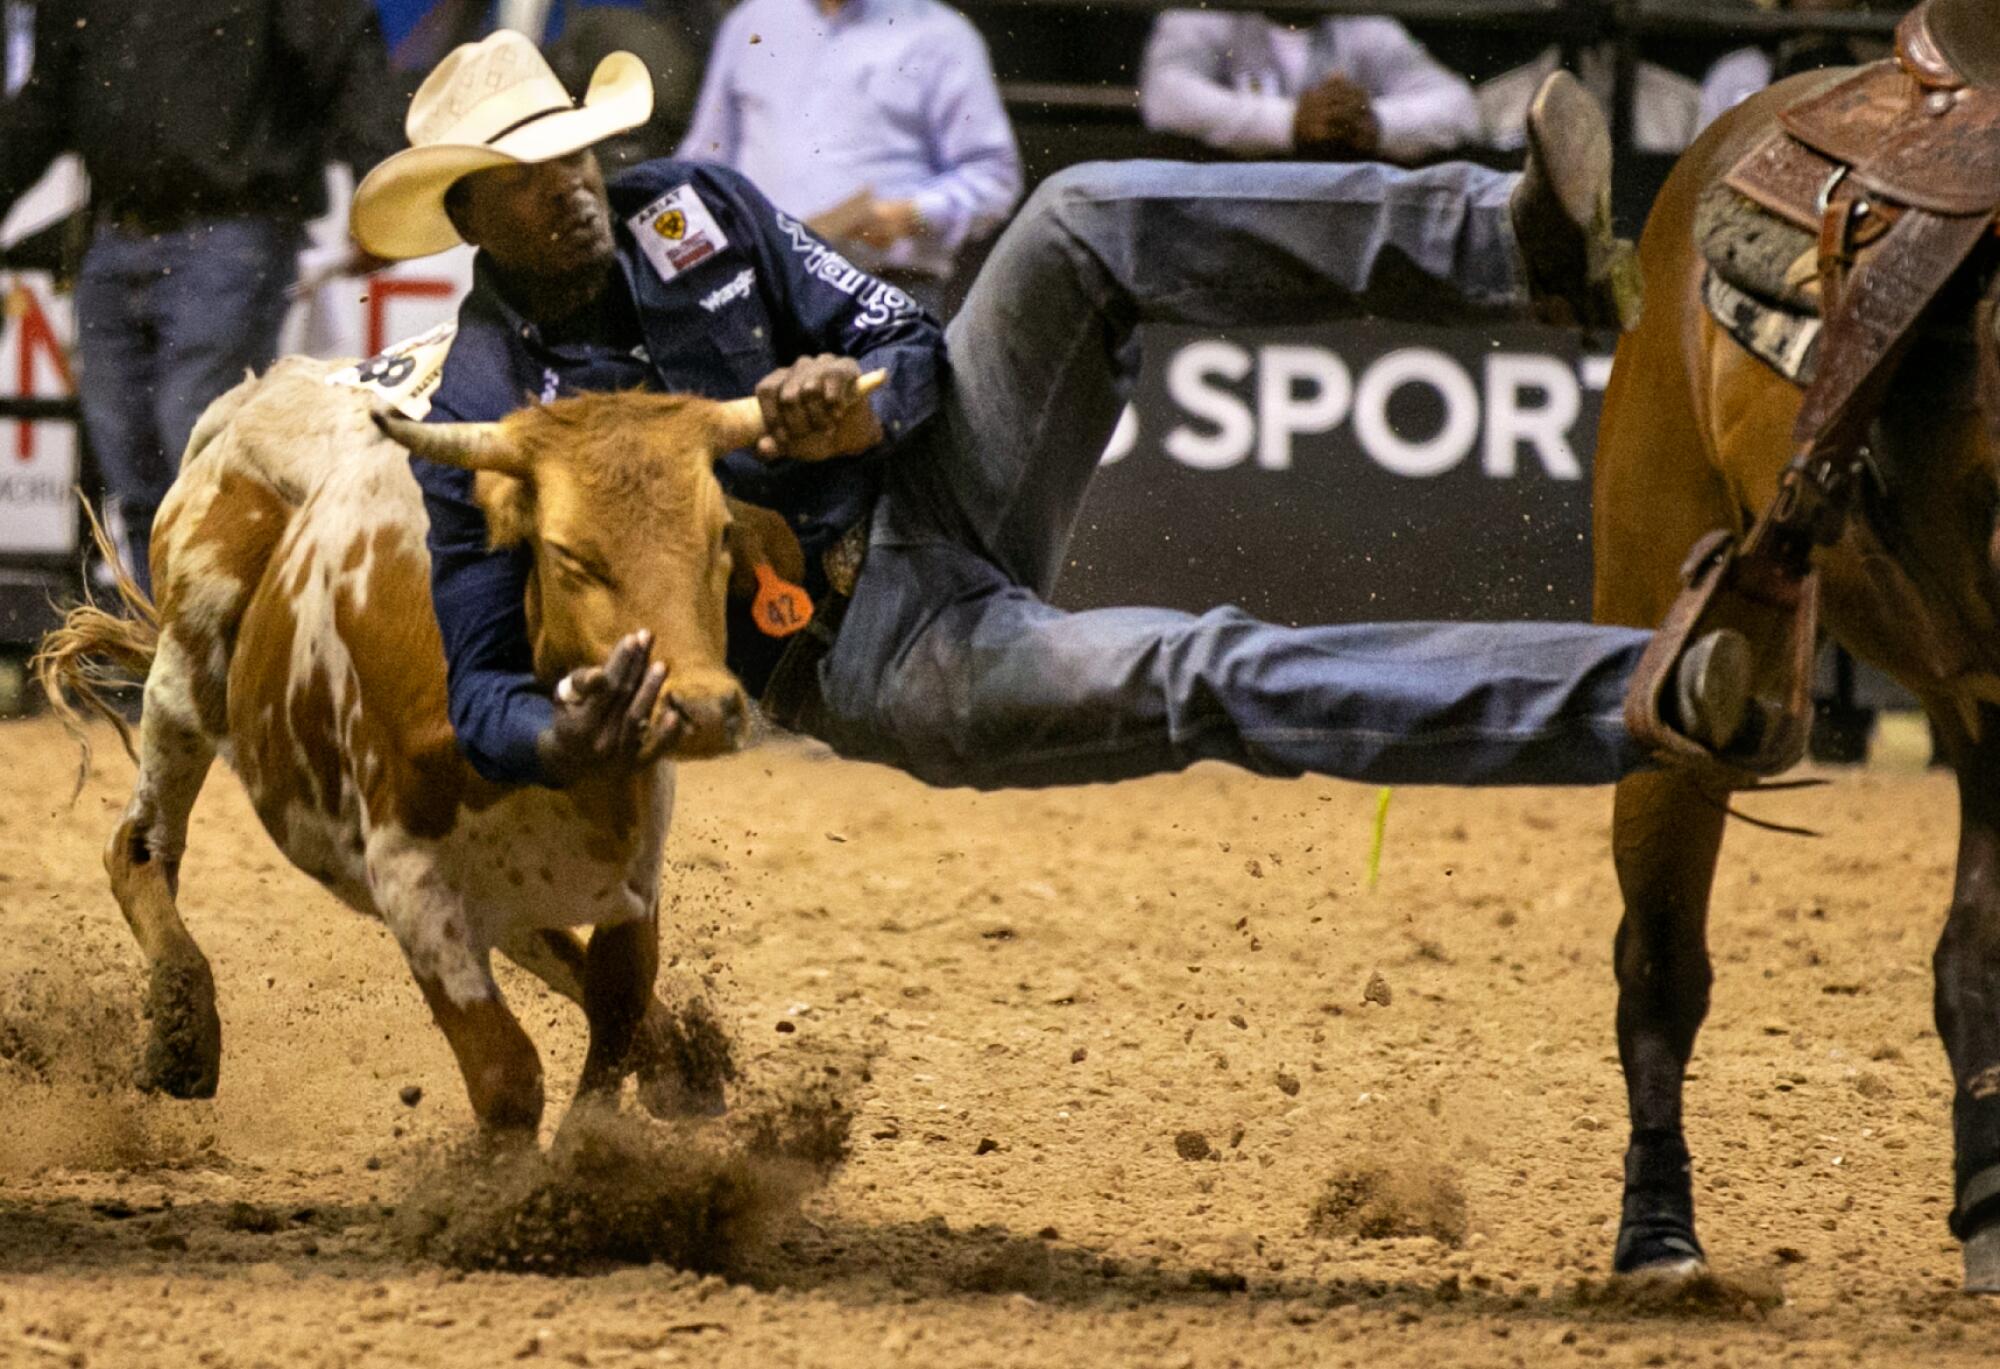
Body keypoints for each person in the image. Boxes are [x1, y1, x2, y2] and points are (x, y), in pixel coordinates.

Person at [351, 32, 1770, 797]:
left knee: (1077, 214)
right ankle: (1636, 700)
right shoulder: (486, 401)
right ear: (470, 215)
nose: (579, 180)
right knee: (1204, 669)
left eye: (577, 150)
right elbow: (478, 688)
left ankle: (1509, 245)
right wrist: (562, 739)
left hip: (932, 476)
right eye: (533, 173)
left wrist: (865, 406)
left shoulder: (691, 206)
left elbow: (903, 331)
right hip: (875, 655)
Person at [0, 0, 404, 594]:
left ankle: (219, 652)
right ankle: (171, 647)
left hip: (233, 224)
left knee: (198, 452)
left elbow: (344, 52)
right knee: (135, 472)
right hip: (117, 232)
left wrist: (383, 190)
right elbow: (43, 102)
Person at [675, 0, 1020, 315]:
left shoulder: (941, 35)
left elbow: (994, 175)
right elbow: (703, 162)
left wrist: (913, 214)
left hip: (883, 290)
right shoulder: (752, 20)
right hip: (755, 292)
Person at [1139, 11, 1479, 164]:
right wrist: (1289, 122)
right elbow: (1165, 93)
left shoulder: (1363, 24)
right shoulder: (1207, 12)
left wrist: (1376, 122)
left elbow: (1460, 106)